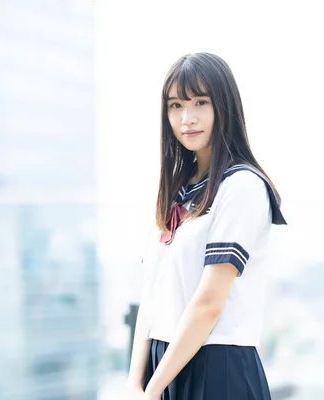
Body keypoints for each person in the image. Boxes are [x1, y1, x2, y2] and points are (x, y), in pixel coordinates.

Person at [126, 52, 287, 400]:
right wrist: (134, 384)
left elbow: (209, 303)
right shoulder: (180, 191)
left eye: (201, 102)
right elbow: (151, 295)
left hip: (218, 368)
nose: (187, 118)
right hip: (168, 365)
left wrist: (153, 389)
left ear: (224, 107)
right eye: (175, 105)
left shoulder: (241, 186)